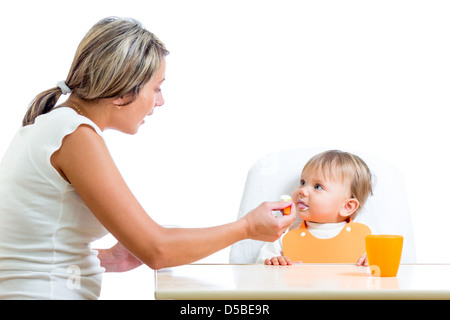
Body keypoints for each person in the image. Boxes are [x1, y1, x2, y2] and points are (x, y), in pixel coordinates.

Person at [0, 17, 296, 299]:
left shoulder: (50, 126)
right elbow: (159, 250)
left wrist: (108, 258)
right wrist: (247, 227)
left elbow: (32, 250)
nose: (161, 100)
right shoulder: (75, 136)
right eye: (157, 87)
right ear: (121, 92)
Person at [256, 150, 373, 266]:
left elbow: (383, 267)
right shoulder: (285, 233)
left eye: (318, 186)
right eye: (303, 182)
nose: (302, 190)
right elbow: (260, 268)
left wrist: (374, 259)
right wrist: (274, 262)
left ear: (347, 206)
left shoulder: (366, 236)